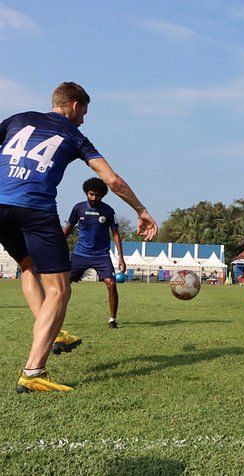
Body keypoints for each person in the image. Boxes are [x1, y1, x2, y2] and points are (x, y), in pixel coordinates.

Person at [0, 82, 157, 393]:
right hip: (34, 209)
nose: (83, 119)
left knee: (28, 267)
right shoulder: (74, 135)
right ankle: (33, 373)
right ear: (73, 104)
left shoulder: (16, 120)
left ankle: (54, 333)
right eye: (83, 111)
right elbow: (112, 180)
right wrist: (141, 209)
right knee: (59, 290)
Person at [63, 177, 126, 329]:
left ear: (102, 196)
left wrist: (121, 258)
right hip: (80, 255)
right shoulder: (78, 208)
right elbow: (68, 229)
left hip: (101, 255)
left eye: (97, 195)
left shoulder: (108, 211)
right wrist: (55, 244)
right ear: (86, 192)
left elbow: (116, 233)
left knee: (111, 284)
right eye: (91, 194)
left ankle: (112, 319)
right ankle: (56, 315)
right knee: (63, 285)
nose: (94, 198)